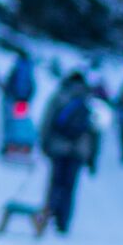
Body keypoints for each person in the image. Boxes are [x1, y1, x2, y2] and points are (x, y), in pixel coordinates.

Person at [33, 69, 97, 236]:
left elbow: (47, 120)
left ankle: (48, 217)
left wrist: (43, 143)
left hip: (58, 147)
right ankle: (64, 223)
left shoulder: (60, 95)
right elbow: (95, 131)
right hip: (79, 150)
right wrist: (92, 157)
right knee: (70, 186)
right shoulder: (89, 99)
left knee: (55, 183)